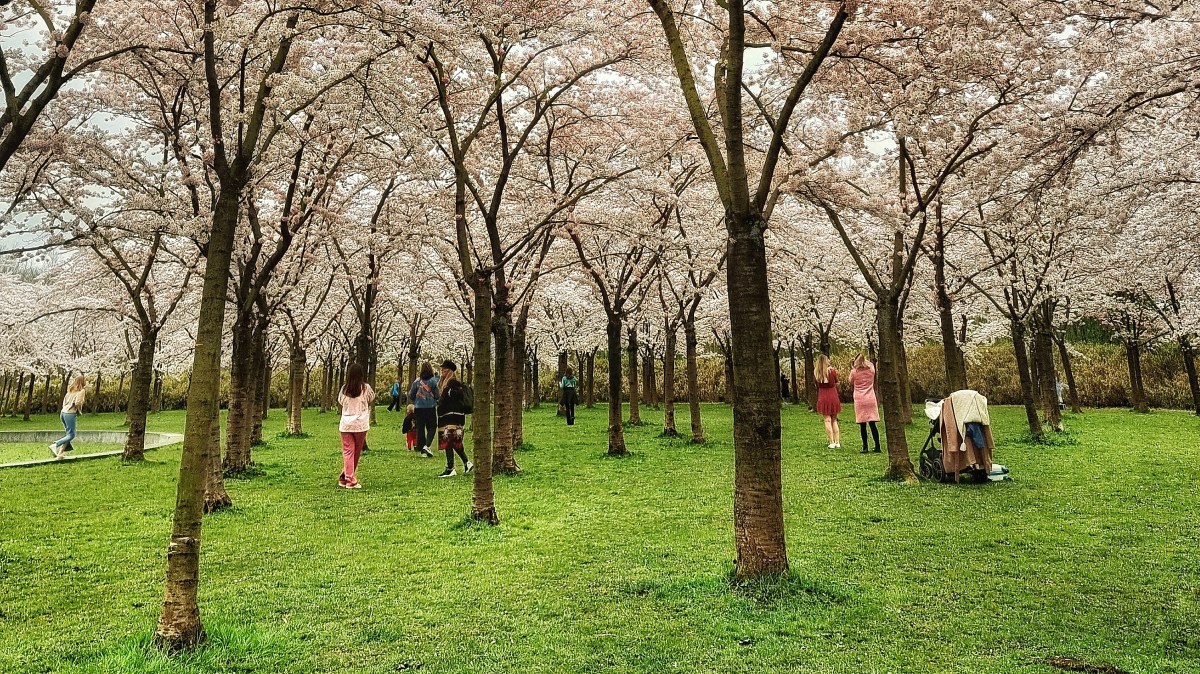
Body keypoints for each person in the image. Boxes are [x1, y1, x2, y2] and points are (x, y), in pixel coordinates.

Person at [336, 363, 375, 489]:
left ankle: (345, 476)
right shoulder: (366, 388)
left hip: (346, 424)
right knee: (356, 452)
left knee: (348, 451)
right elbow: (371, 398)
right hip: (360, 425)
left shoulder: (344, 389)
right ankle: (350, 479)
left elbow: (340, 401)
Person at [436, 359, 473, 478]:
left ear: (450, 371)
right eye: (441, 369)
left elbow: (455, 400)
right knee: (454, 442)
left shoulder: (453, 385)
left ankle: (451, 468)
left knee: (449, 441)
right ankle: (467, 463)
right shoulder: (445, 385)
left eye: (444, 369)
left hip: (452, 418)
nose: (442, 371)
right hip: (449, 417)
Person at [850, 354, 881, 454]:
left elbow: (850, 381)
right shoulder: (871, 370)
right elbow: (872, 366)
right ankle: (877, 446)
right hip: (870, 398)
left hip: (860, 399)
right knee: (872, 424)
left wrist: (852, 366)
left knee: (862, 425)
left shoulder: (854, 372)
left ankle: (865, 447)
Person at [49, 374, 86, 458]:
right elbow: (78, 403)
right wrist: (79, 409)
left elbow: (64, 401)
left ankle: (60, 453)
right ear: (82, 381)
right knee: (71, 435)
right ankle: (55, 445)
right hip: (70, 413)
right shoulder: (82, 391)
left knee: (68, 434)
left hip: (63, 413)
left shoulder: (70, 390)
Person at [407, 362, 438, 458]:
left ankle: (422, 448)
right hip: (430, 408)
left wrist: (417, 399)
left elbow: (411, 395)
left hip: (419, 408)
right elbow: (437, 395)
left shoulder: (417, 381)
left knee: (420, 428)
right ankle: (427, 445)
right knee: (432, 427)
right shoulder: (433, 381)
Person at [815, 354, 842, 448]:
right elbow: (836, 382)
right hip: (833, 394)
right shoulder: (832, 371)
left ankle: (831, 442)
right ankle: (837, 441)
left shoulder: (817, 372)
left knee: (827, 420)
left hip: (823, 395)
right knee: (834, 420)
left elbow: (817, 384)